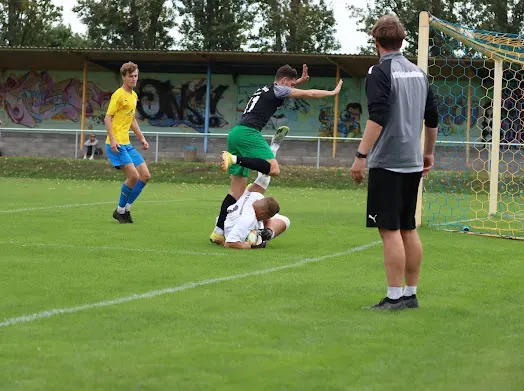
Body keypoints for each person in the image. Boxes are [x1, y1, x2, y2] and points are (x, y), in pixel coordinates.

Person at [349, 14, 438, 310]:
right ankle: (410, 294)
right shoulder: (419, 73)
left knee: (389, 230)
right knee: (407, 228)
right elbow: (433, 119)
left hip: (387, 162)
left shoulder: (379, 72)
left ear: (376, 42)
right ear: (402, 41)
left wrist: (361, 156)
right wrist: (428, 153)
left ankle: (394, 297)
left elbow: (377, 116)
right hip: (412, 163)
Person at [210, 64, 343, 244]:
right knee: (273, 169)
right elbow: (309, 94)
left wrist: (298, 82)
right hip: (248, 133)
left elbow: (284, 89)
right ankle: (233, 159)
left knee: (236, 191)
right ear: (284, 81)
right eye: (291, 84)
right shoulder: (280, 89)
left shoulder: (266, 88)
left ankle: (218, 232)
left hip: (235, 133)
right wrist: (332, 93)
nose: (292, 89)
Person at [104, 61, 151, 224]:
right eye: (130, 76)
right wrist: (113, 140)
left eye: (136, 76)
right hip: (116, 144)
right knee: (133, 176)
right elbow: (107, 118)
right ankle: (120, 211)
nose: (134, 79)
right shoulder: (118, 95)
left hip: (127, 144)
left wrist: (142, 138)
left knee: (145, 176)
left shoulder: (134, 96)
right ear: (124, 77)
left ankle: (124, 209)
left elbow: (132, 120)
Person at [223, 182, 291, 250]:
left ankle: (269, 232)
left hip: (231, 219)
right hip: (237, 232)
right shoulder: (247, 220)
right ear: (262, 213)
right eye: (267, 217)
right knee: (285, 221)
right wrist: (253, 247)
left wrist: (269, 230)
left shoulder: (256, 196)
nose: (268, 219)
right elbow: (229, 243)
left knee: (281, 220)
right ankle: (263, 236)